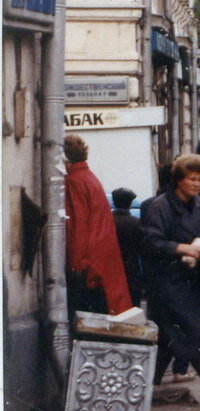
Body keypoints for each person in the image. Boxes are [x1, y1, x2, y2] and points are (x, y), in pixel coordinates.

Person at [140, 153, 200, 405]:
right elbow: (149, 241)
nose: (197, 184)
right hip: (166, 282)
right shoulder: (160, 206)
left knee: (168, 339)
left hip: (192, 279)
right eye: (192, 179)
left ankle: (146, 390)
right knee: (193, 333)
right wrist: (180, 248)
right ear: (179, 180)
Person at [63, 134, 133, 318]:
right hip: (102, 254)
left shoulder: (73, 180)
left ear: (66, 160)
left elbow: (77, 223)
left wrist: (75, 264)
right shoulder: (88, 176)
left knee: (85, 317)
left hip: (88, 259)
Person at [111, 188, 144, 308]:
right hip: (131, 267)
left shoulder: (107, 221)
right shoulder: (137, 223)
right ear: (130, 203)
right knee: (133, 303)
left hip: (111, 267)